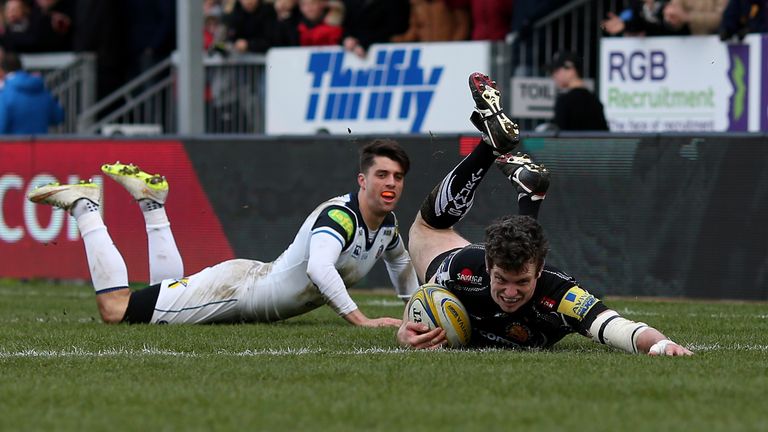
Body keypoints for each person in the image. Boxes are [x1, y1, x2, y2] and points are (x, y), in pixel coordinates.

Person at [396, 72, 694, 356]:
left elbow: (617, 327)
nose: (510, 292)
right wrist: (405, 331)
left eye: (522, 282)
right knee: (428, 230)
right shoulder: (465, 267)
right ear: (489, 265)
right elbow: (423, 300)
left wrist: (660, 345)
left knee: (426, 229)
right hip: (461, 258)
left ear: (539, 272)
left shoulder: (561, 293)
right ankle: (516, 179)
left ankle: (494, 152)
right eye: (501, 279)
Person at [28, 139, 418, 327]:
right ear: (362, 180)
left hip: (248, 283)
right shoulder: (341, 217)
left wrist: (412, 308)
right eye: (382, 175)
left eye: (398, 177)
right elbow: (319, 267)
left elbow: (400, 260)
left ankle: (152, 205)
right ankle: (86, 207)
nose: (391, 183)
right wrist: (362, 320)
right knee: (116, 311)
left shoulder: (386, 227)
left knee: (163, 298)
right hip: (237, 292)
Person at [0, 51, 64, 134]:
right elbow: (58, 117)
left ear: (2, 71)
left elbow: (2, 126)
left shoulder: (5, 93)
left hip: (14, 145)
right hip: (40, 144)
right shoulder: (42, 90)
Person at [548, 51, 609, 132]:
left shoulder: (564, 101)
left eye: (556, 71)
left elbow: (558, 137)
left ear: (571, 69)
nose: (554, 75)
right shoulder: (595, 100)